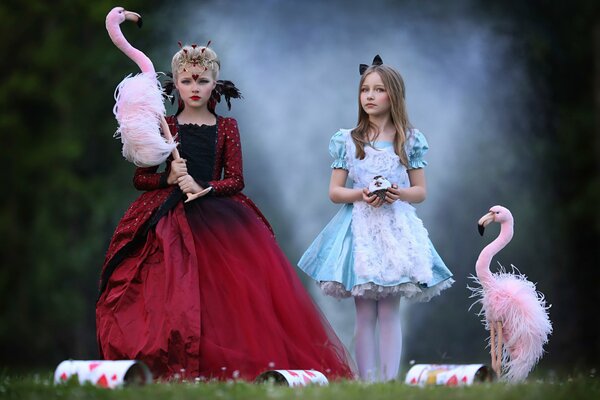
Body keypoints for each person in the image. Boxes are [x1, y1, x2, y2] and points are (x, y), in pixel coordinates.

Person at [96, 44, 355, 381]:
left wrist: (207, 189)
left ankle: (222, 364)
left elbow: (236, 179)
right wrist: (168, 177)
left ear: (214, 84)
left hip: (219, 219)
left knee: (227, 297)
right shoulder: (165, 126)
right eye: (186, 81)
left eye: (202, 81)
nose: (194, 88)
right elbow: (140, 178)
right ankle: (169, 360)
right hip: (169, 219)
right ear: (175, 83)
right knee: (171, 290)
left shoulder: (227, 127)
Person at [298, 55, 454, 382]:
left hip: (396, 229)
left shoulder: (408, 139)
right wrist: (362, 194)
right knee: (364, 312)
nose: (369, 96)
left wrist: (398, 192)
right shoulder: (348, 139)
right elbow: (335, 192)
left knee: (389, 310)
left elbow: (420, 191)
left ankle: (388, 379)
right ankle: (367, 382)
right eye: (364, 90)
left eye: (378, 90)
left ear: (393, 96)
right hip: (360, 230)